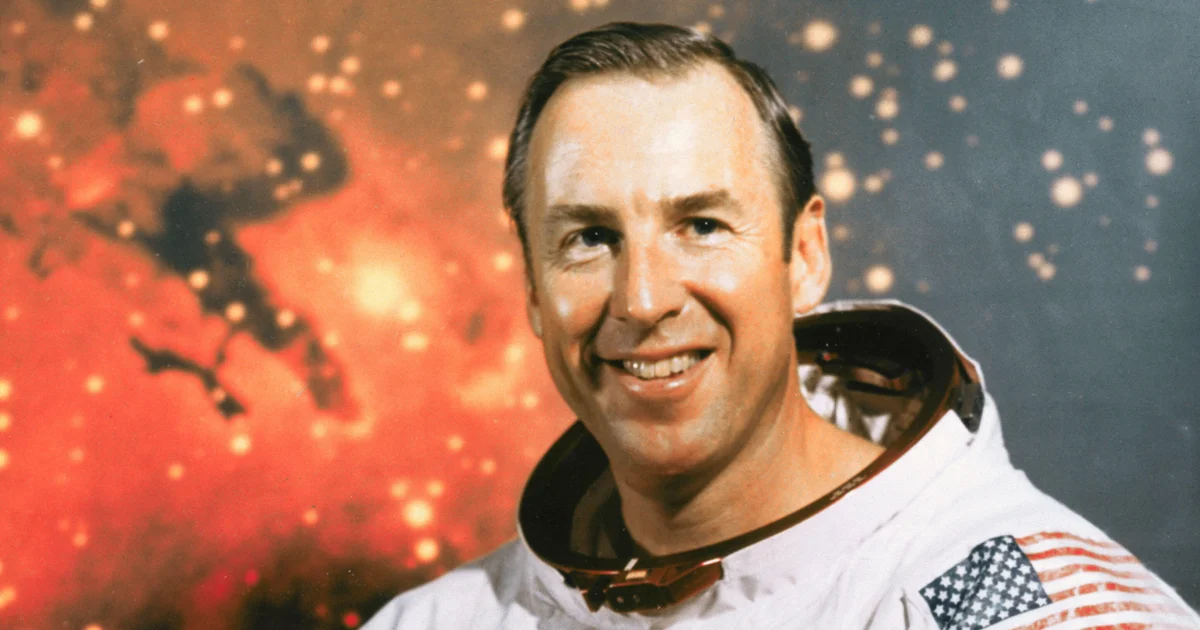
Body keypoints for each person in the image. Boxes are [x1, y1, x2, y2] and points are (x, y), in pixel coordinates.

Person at [364, 22, 1199, 629]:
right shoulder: (436, 621)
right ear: (534, 293)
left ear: (803, 257)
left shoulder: (1030, 605)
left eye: (701, 225)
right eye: (589, 238)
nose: (644, 300)